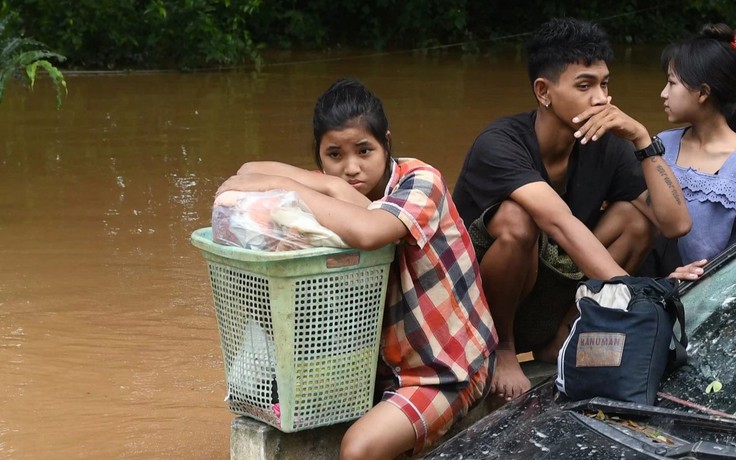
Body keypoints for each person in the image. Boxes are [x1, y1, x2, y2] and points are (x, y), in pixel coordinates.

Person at [216, 78, 498, 460]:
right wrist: (319, 187)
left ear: (387, 142)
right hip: (380, 369)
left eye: (365, 150)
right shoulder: (331, 187)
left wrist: (306, 191)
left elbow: (370, 229)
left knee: (358, 449)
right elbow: (246, 171)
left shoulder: (421, 181)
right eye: (334, 155)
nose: (351, 168)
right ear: (318, 158)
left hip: (447, 370)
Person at [451, 17, 694, 402]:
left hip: (552, 300)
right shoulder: (499, 144)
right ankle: (503, 349)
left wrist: (641, 139)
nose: (602, 98)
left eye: (604, 84)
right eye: (585, 86)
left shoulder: (606, 144)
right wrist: (635, 296)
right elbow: (558, 222)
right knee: (517, 218)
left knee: (635, 221)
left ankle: (566, 337)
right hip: (483, 309)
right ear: (544, 92)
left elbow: (676, 223)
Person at [644, 23, 736, 273]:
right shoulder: (661, 144)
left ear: (703, 92)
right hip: (659, 284)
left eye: (672, 83)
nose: (663, 94)